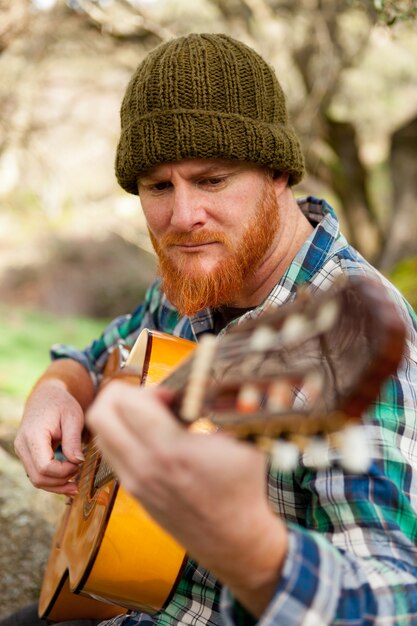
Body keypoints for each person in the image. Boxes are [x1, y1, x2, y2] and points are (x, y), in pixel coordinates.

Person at [4, 32, 417, 626]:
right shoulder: (193, 275)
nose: (183, 217)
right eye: (157, 187)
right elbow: (99, 354)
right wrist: (56, 388)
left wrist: (253, 552)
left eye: (212, 179)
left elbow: (396, 598)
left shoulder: (352, 339)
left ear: (278, 174)